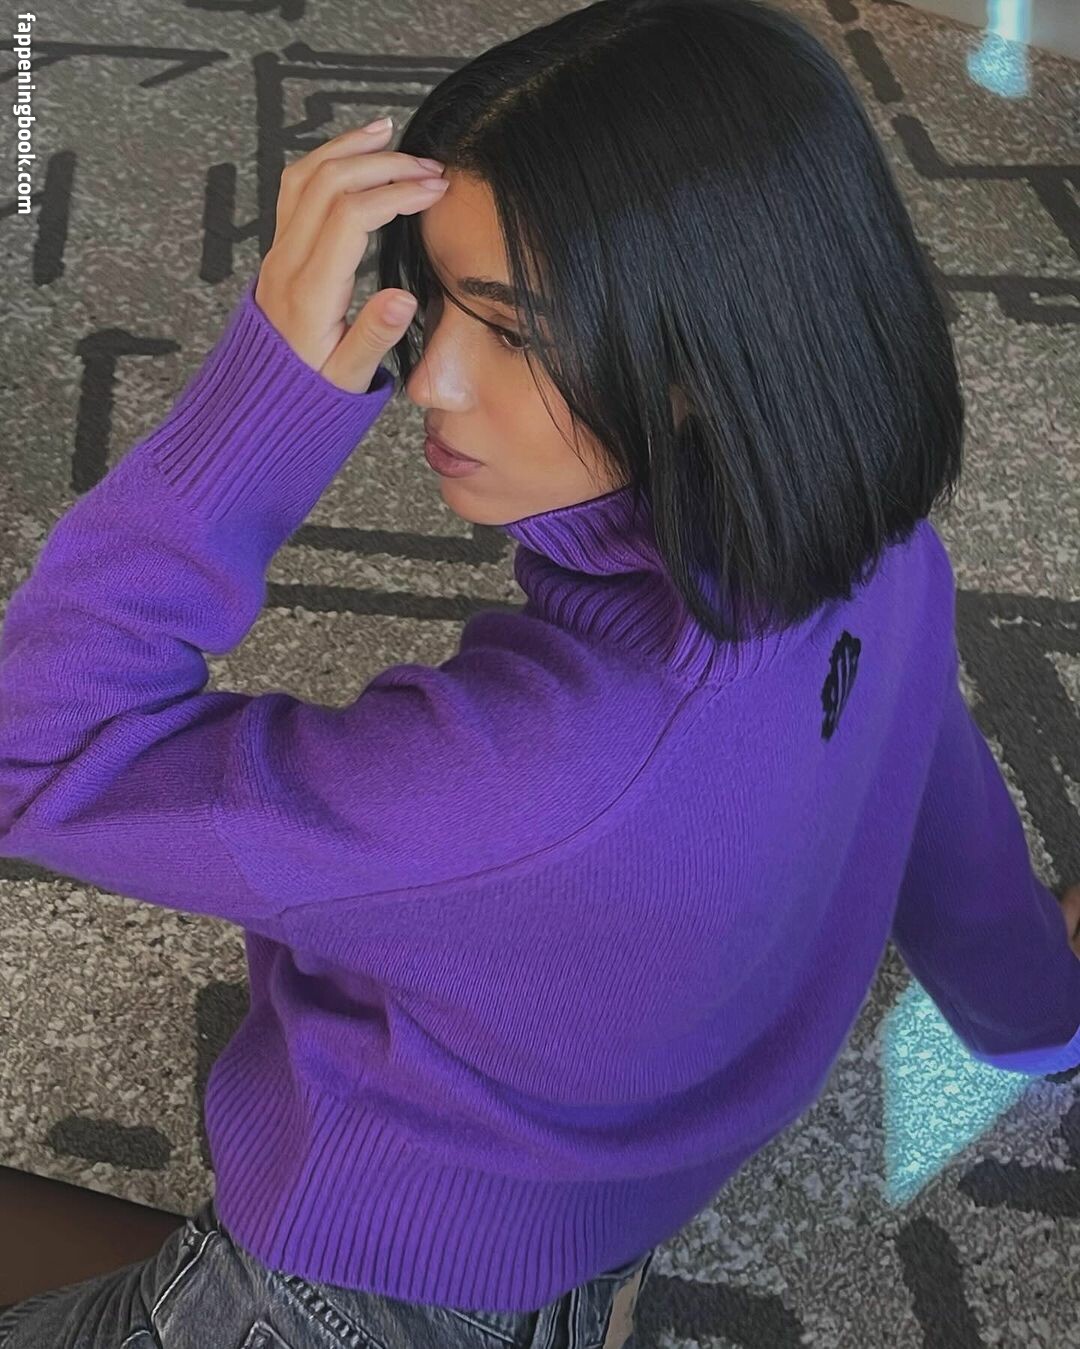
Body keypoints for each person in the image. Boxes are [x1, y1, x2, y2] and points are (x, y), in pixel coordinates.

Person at [2, 0, 1079, 1343]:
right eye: (438, 298)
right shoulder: (886, 559)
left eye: (515, 331)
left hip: (327, 1298)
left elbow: (36, 748)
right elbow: (931, 780)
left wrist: (251, 412)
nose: (429, 382)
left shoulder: (518, 777)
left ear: (716, 352)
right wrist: (1038, 1011)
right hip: (596, 1217)